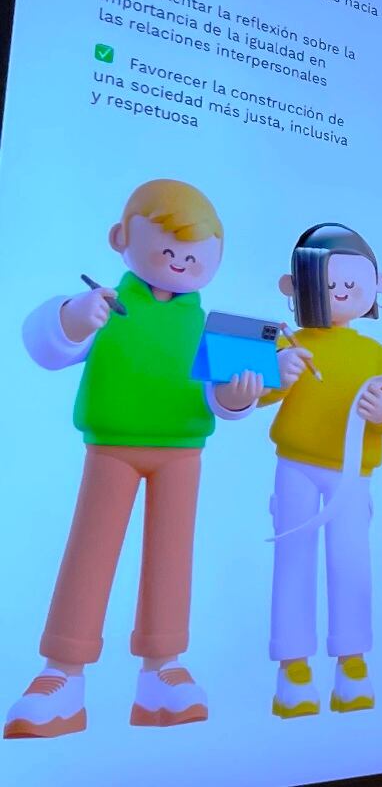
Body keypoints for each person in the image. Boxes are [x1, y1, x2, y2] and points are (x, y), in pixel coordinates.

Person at [5, 180, 299, 738]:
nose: (180, 262)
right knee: (90, 551)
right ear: (120, 238)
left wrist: (242, 393)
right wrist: (74, 317)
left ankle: (162, 667)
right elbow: (43, 343)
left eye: (195, 254)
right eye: (168, 249)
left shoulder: (212, 327)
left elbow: (223, 400)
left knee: (171, 556)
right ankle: (63, 670)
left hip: (182, 452)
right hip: (111, 447)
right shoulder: (106, 306)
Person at [263, 222, 382, 717]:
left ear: (377, 284)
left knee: (350, 562)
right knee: (293, 558)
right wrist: (277, 375)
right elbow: (257, 393)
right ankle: (293, 666)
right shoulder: (288, 345)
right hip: (296, 467)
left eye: (352, 281)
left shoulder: (374, 353)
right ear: (295, 287)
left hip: (353, 474)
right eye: (329, 282)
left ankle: (352, 660)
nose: (341, 291)